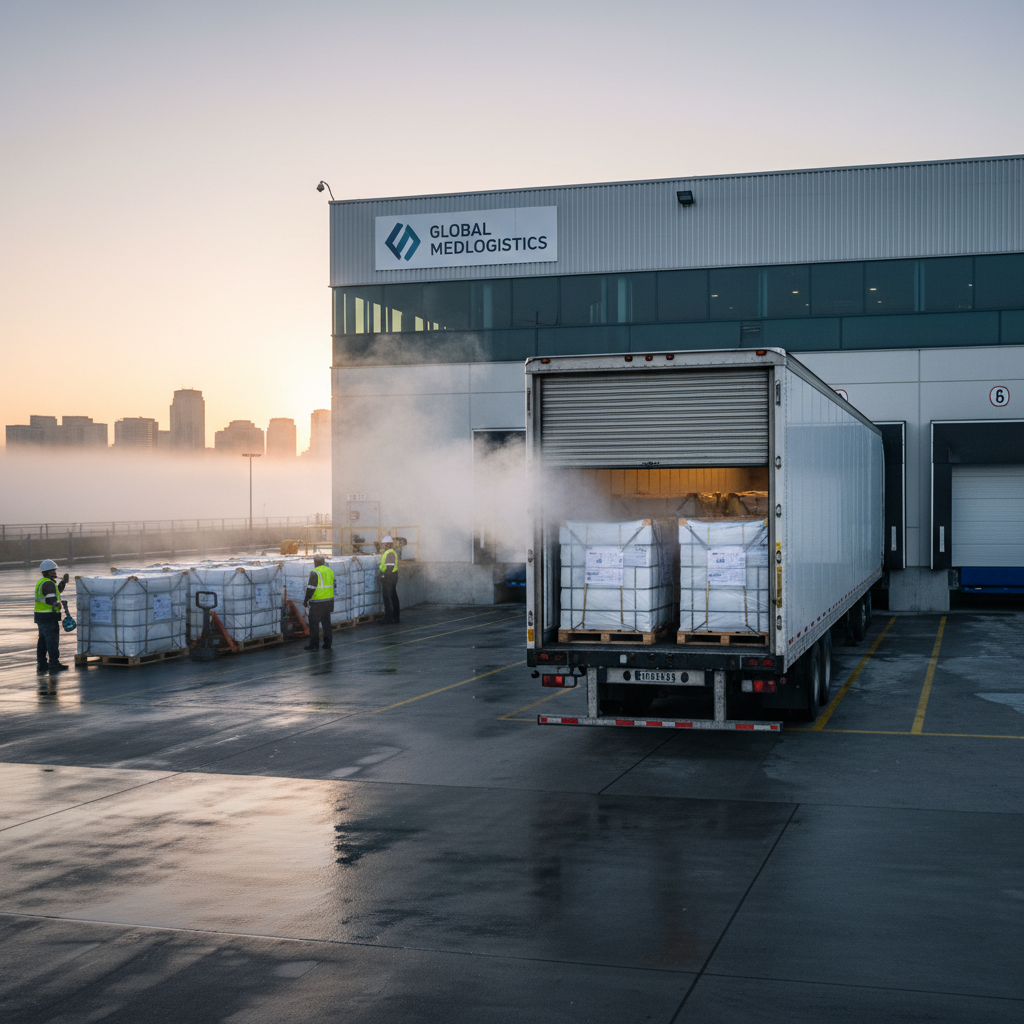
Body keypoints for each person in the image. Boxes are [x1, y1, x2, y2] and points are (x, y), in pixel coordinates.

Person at [35, 559, 70, 673]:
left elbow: (57, 592)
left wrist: (63, 583)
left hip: (41, 617)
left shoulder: (44, 582)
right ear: (48, 572)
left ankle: (42, 664)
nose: (55, 572)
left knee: (43, 641)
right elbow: (51, 599)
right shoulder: (48, 583)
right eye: (53, 571)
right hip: (49, 617)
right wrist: (57, 604)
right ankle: (54, 664)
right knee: (52, 642)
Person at [302, 555, 335, 651]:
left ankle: (314, 645)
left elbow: (310, 589)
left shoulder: (315, 572)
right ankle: (327, 644)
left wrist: (306, 600)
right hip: (329, 602)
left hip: (317, 603)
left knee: (314, 624)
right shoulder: (329, 571)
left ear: (315, 562)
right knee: (326, 624)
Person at [379, 535, 400, 623]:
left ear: (387, 544)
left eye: (384, 544)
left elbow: (389, 568)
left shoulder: (390, 553)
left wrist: (383, 576)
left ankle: (388, 618)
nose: (383, 546)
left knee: (387, 598)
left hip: (389, 578)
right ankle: (395, 617)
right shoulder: (390, 552)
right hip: (392, 577)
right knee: (393, 597)